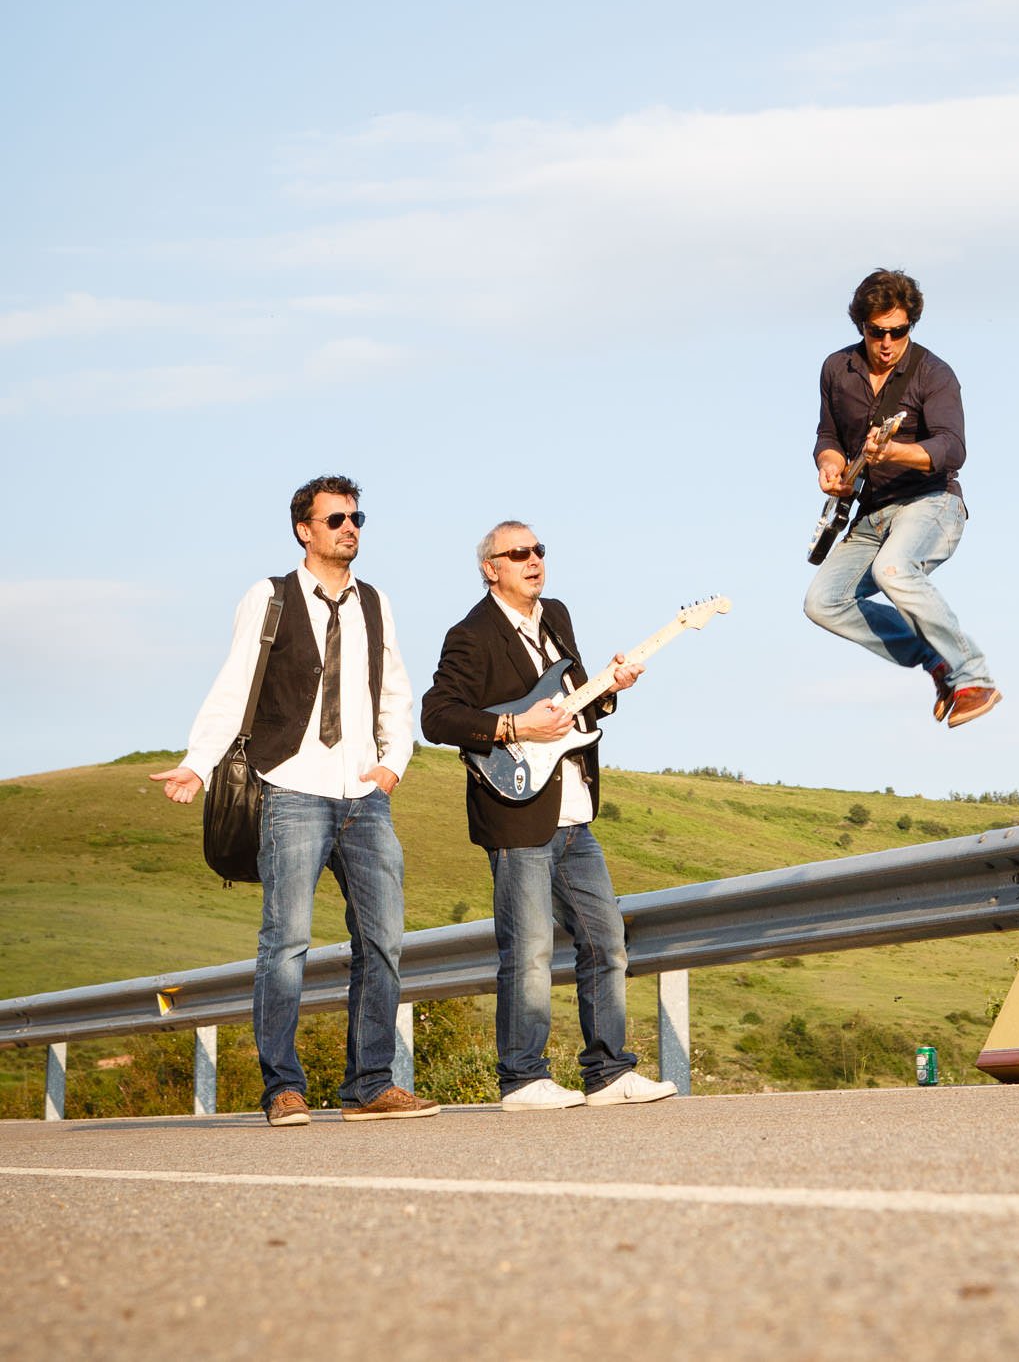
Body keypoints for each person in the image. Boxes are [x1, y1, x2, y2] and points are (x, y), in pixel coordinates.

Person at [152, 475, 437, 1125]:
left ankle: (369, 1083)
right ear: (304, 530)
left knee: (383, 939)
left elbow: (394, 689)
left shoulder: (375, 603)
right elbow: (235, 685)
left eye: (357, 517)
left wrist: (392, 763)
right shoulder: (270, 596)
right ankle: (283, 1085)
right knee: (286, 942)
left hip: (364, 797)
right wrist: (198, 764)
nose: (349, 527)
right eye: (335, 518)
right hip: (294, 789)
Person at [421, 520, 677, 1110]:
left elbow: (573, 707)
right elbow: (438, 717)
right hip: (516, 813)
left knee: (606, 940)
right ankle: (523, 1078)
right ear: (492, 568)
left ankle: (609, 1073)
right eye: (519, 553)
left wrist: (610, 689)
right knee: (530, 949)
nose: (534, 560)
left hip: (574, 812)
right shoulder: (471, 634)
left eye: (539, 550)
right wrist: (513, 726)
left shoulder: (557, 615)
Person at [803, 266, 999, 729]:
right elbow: (827, 435)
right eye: (878, 332)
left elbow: (953, 448)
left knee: (892, 571)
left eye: (899, 331)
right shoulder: (837, 369)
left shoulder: (933, 374)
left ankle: (974, 676)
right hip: (871, 516)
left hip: (932, 503)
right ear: (862, 327)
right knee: (822, 602)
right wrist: (830, 466)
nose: (888, 342)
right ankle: (934, 659)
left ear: (910, 325)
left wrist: (895, 451)